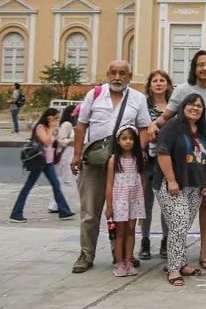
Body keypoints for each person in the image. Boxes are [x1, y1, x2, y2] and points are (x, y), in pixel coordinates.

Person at [71, 60, 150, 274]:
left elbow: (143, 128)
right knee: (90, 212)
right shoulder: (95, 94)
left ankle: (122, 255)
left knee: (123, 212)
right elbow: (81, 125)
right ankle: (86, 255)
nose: (117, 77)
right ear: (107, 74)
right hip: (94, 163)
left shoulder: (138, 98)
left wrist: (140, 153)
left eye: (122, 73)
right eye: (113, 73)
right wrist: (77, 154)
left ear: (129, 76)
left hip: (124, 165)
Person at [150, 51, 206, 271]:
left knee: (202, 205)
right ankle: (174, 260)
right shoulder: (183, 90)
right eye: (200, 64)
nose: (204, 68)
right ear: (194, 67)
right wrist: (153, 126)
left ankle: (201, 253)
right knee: (178, 213)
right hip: (181, 160)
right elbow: (166, 117)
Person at [155, 93, 206, 287]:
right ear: (183, 106)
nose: (195, 108)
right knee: (179, 222)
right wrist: (171, 180)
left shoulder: (201, 131)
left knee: (183, 225)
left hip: (195, 185)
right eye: (191, 104)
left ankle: (181, 262)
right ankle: (173, 269)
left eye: (199, 106)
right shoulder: (173, 126)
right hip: (172, 184)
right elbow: (162, 153)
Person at [10, 107, 75, 222]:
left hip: (48, 162)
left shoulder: (50, 128)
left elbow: (53, 143)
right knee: (28, 187)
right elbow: (46, 141)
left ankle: (64, 211)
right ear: (49, 117)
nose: (56, 120)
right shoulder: (40, 127)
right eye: (55, 118)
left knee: (56, 185)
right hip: (39, 161)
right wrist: (51, 127)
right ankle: (16, 213)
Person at [139, 69, 171, 260]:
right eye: (155, 81)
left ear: (167, 84)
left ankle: (165, 241)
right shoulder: (142, 105)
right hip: (147, 158)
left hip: (166, 158)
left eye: (162, 80)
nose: (159, 84)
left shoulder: (172, 106)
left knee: (166, 201)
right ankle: (144, 240)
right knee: (146, 202)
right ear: (150, 85)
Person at [106, 126, 146, 277]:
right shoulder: (113, 161)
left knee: (130, 231)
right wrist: (109, 206)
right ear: (118, 141)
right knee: (119, 232)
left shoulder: (138, 159)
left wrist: (141, 199)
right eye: (124, 138)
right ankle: (119, 262)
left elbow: (142, 180)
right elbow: (109, 184)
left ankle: (129, 260)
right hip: (119, 200)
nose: (128, 142)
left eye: (131, 138)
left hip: (134, 199)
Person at [49, 104, 79, 213]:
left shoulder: (73, 125)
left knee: (70, 180)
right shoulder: (67, 124)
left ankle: (55, 203)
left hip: (71, 154)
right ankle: (56, 204)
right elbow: (61, 140)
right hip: (67, 155)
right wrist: (72, 141)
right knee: (68, 180)